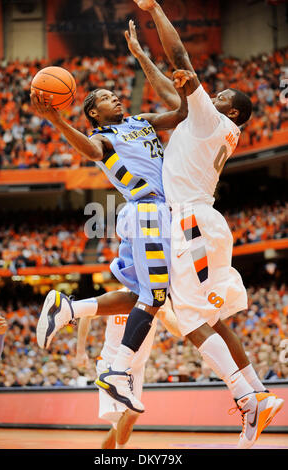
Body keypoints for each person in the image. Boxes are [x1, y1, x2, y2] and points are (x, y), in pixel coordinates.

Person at [126, 0, 284, 449]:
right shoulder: (213, 123)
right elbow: (174, 93)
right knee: (218, 318)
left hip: (191, 222)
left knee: (190, 317)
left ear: (231, 112)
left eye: (219, 98)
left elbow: (183, 63)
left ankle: (246, 397)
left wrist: (155, 10)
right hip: (207, 222)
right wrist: (141, 59)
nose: (210, 97)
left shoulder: (212, 118)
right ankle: (258, 394)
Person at [32, 54, 188, 414]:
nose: (115, 97)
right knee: (156, 295)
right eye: (105, 97)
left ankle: (69, 308)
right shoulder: (102, 137)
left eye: (114, 94)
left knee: (139, 295)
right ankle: (116, 370)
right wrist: (56, 119)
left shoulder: (142, 120)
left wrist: (143, 59)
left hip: (158, 212)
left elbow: (181, 114)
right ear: (93, 113)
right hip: (147, 210)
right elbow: (89, 151)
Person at [75, 289, 181, 449]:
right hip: (111, 365)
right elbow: (86, 313)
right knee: (131, 412)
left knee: (120, 424)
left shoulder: (159, 298)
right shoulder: (118, 296)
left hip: (136, 368)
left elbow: (178, 331)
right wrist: (80, 351)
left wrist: (166, 314)